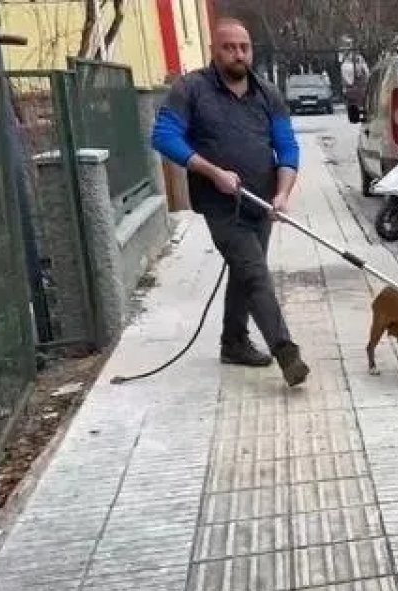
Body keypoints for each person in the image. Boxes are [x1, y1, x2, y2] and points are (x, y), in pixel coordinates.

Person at [150, 17, 309, 387]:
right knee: (255, 273)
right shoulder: (191, 89)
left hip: (262, 201)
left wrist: (283, 193)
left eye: (244, 47)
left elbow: (286, 146)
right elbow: (164, 136)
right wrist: (212, 171)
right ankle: (286, 352)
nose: (238, 54)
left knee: (244, 272)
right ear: (214, 51)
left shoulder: (267, 94)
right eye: (229, 47)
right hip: (220, 204)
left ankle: (233, 341)